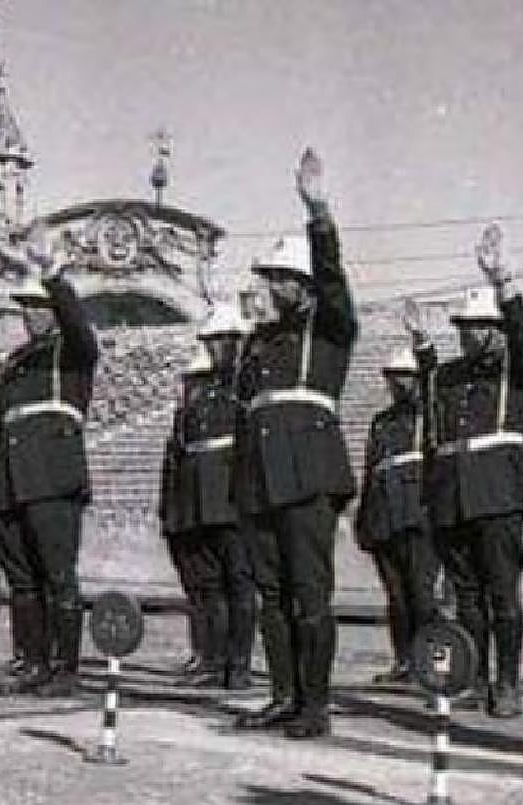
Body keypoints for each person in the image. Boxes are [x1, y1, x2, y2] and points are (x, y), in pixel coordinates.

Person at [233, 149, 358, 738]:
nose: (272, 286)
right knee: (271, 595)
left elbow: (334, 280)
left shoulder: (328, 326)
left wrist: (319, 213)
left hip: (307, 475)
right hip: (260, 479)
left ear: (303, 285)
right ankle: (283, 694)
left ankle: (316, 704)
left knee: (309, 594)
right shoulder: (259, 341)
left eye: (282, 278)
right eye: (270, 278)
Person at [408, 223, 523, 718]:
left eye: (477, 327)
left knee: (502, 594)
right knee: (465, 597)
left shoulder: (516, 371)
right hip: (452, 498)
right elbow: (431, 427)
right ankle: (470, 678)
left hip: (498, 495)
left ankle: (506, 685)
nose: (468, 336)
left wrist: (503, 282)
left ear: (496, 331)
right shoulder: (448, 375)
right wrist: (422, 346)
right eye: (463, 328)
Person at [0, 225, 99, 697]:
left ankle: (66, 667)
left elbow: (79, 326)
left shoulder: (71, 350)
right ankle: (32, 660)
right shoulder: (17, 360)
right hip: (13, 477)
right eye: (28, 309)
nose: (32, 316)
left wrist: (53, 275)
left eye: (40, 308)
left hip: (52, 475)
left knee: (58, 575)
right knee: (22, 579)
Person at [173, 308, 256, 690]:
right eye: (210, 342)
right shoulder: (198, 403)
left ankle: (238, 664)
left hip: (235, 503)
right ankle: (213, 659)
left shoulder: (249, 388)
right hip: (199, 505)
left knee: (239, 586)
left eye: (223, 340)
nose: (216, 348)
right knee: (208, 588)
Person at [354, 344, 441, 683]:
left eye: (406, 377)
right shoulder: (382, 422)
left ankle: (429, 662)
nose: (399, 384)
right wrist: (365, 522)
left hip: (418, 519)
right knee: (397, 598)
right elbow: (370, 471)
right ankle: (404, 661)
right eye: (394, 378)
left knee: (422, 595)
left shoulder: (429, 419)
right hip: (384, 519)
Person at [159, 347, 214, 676]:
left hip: (203, 510)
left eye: (196, 381)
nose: (189, 387)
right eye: (188, 381)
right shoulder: (183, 418)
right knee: (194, 590)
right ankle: (201, 652)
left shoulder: (211, 413)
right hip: (182, 513)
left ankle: (216, 657)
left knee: (212, 589)